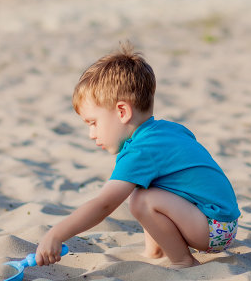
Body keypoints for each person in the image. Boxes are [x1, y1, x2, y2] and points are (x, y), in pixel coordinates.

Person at [35, 41, 240, 269]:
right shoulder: (164, 130)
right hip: (222, 221)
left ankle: (182, 260)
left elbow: (104, 204)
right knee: (146, 186)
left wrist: (56, 234)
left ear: (122, 111)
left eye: (93, 123)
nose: (91, 134)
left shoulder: (141, 151)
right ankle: (156, 250)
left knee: (142, 200)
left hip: (213, 229)